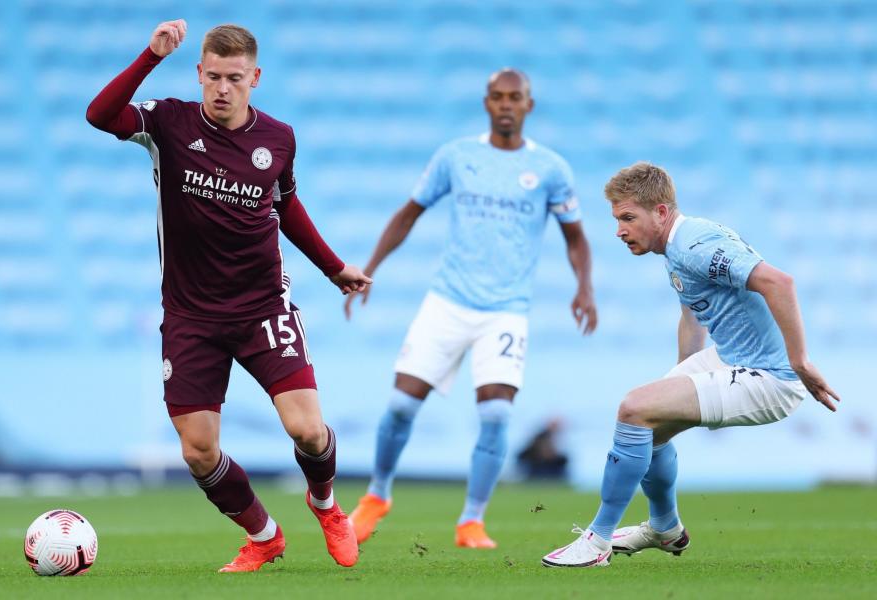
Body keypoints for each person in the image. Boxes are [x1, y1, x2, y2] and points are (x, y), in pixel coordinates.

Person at [86, 20, 371, 572]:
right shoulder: (166, 122)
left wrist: (334, 268)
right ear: (198, 73)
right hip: (190, 317)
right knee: (197, 451)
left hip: (263, 308)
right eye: (212, 76)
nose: (222, 88)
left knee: (309, 431)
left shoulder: (279, 138)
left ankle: (327, 506)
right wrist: (151, 55)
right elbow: (99, 116)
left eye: (234, 78)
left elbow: (286, 206)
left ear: (255, 78)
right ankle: (264, 536)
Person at [345, 69, 598, 549]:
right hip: (447, 302)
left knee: (498, 416)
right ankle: (377, 496)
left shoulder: (550, 169)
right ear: (487, 103)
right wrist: (371, 266)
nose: (506, 105)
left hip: (505, 311)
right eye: (498, 97)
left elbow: (577, 239)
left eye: (515, 98)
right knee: (400, 405)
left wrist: (584, 288)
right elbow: (408, 213)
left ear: (529, 105)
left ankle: (471, 521)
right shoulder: (456, 157)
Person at [541, 162, 840, 568]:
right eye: (616, 219)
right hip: (729, 356)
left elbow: (778, 282)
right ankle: (664, 528)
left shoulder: (695, 245)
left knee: (634, 409)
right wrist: (683, 379)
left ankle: (597, 542)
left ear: (660, 212)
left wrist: (800, 361)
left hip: (770, 377)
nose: (619, 230)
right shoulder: (677, 249)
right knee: (649, 428)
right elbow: (692, 311)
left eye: (628, 218)